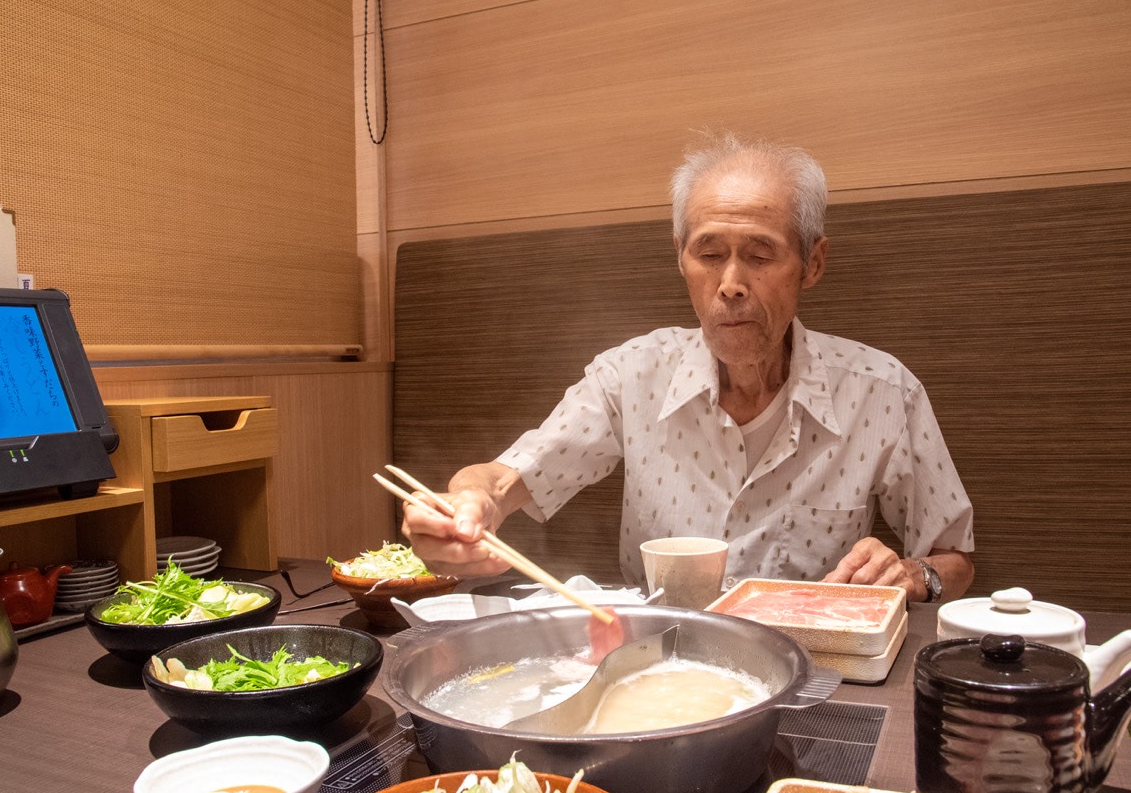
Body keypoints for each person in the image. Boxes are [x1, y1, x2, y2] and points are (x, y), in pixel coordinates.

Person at [402, 133, 975, 603]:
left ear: (813, 263)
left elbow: (954, 558)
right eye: (708, 254)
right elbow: (503, 480)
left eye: (759, 254)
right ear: (680, 256)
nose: (730, 284)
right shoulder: (631, 375)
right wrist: (468, 507)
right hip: (657, 662)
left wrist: (913, 576)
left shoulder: (881, 392)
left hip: (812, 673)